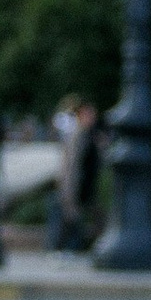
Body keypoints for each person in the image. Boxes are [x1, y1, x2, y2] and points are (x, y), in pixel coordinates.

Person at [51, 97, 103, 255]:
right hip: (77, 186)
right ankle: (63, 249)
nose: (92, 118)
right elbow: (71, 166)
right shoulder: (78, 135)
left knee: (82, 219)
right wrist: (68, 189)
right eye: (89, 114)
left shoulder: (89, 134)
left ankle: (71, 248)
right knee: (72, 219)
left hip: (86, 185)